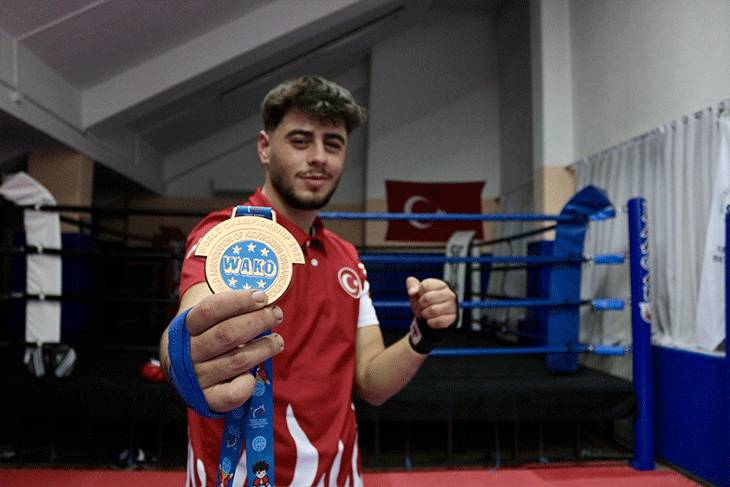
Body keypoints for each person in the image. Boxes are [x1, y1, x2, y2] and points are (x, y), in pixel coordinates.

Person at [159, 75, 458, 487]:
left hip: (339, 475)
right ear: (265, 148)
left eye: (332, 144)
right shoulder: (230, 234)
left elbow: (371, 382)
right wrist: (184, 354)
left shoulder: (346, 256)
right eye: (300, 141)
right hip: (243, 476)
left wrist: (424, 335)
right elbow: (190, 324)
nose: (318, 157)